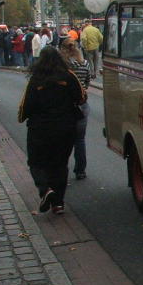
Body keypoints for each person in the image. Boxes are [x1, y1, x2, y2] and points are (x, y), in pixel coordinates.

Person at [18, 46, 85, 215]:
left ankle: (45, 189)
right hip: (65, 127)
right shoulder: (69, 76)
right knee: (60, 164)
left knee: (36, 162)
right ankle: (58, 204)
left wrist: (22, 117)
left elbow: (26, 105)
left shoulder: (36, 80)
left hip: (40, 129)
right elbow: (81, 97)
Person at [60, 37, 91, 180]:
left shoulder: (62, 67)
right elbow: (87, 81)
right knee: (80, 140)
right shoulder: (84, 64)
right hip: (82, 104)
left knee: (63, 140)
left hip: (65, 106)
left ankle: (62, 170)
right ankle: (80, 170)